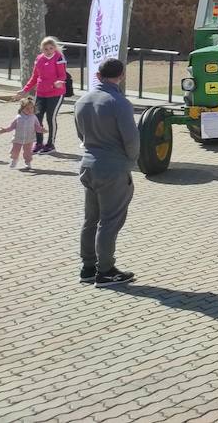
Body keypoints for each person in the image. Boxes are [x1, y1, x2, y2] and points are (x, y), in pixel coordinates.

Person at [74, 58, 139, 286]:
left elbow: (81, 135)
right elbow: (131, 140)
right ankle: (106, 270)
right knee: (109, 221)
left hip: (89, 164)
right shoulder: (119, 102)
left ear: (98, 76)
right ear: (121, 76)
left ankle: (88, 267)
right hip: (113, 167)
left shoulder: (82, 101)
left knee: (91, 219)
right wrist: (132, 160)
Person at [19, 36, 69, 154]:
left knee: (50, 117)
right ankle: (39, 143)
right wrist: (24, 90)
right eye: (46, 48)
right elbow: (35, 77)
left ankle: (51, 144)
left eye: (51, 48)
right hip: (41, 92)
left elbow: (63, 75)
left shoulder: (59, 58)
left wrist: (59, 82)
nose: (48, 50)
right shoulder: (39, 59)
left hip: (56, 93)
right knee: (37, 117)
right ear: (42, 49)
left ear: (55, 48)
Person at [0, 98, 43, 170]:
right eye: (27, 108)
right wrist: (5, 130)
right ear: (22, 109)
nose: (30, 110)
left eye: (31, 108)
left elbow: (37, 127)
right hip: (18, 138)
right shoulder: (18, 117)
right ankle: (14, 160)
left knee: (28, 152)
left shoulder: (34, 117)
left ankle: (28, 162)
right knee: (15, 151)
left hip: (29, 139)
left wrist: (41, 130)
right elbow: (12, 127)